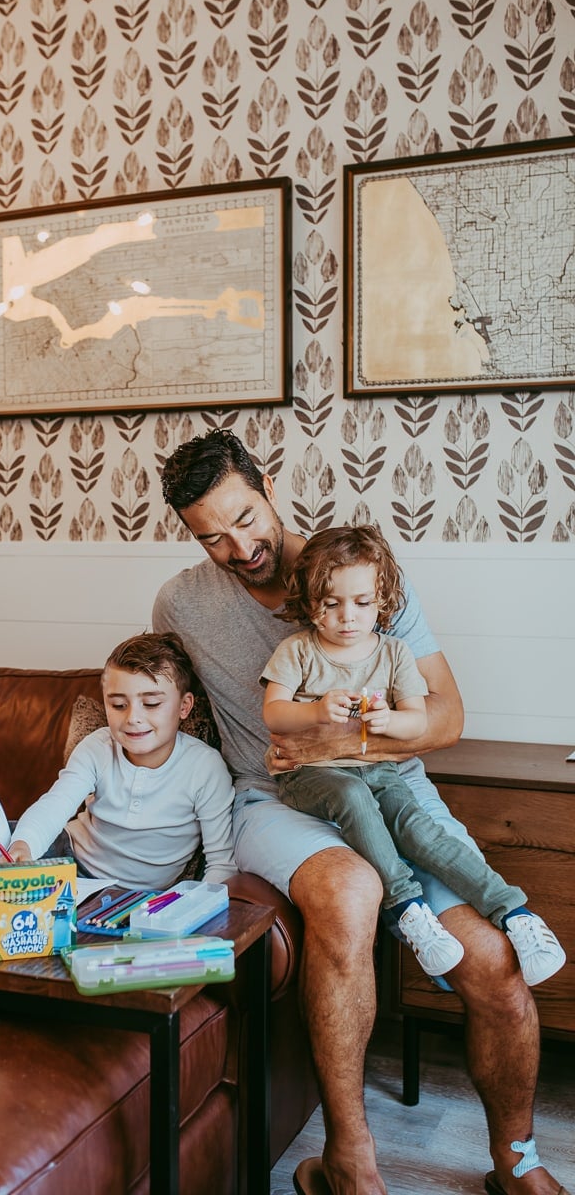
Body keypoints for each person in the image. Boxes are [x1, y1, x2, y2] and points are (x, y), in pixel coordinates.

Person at [152, 428, 567, 1195]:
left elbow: (445, 719)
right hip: (274, 801)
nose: (239, 546)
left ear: (268, 485)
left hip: (389, 788)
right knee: (350, 891)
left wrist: (345, 737)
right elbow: (164, 711)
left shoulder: (354, 576)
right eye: (212, 537)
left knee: (496, 966)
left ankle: (519, 1162)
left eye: (246, 519)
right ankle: (351, 1161)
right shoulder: (180, 603)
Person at [261, 524, 565, 985]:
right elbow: (275, 714)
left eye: (362, 603)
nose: (348, 616)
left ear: (381, 600)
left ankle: (515, 913)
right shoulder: (298, 651)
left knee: (419, 830)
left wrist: (390, 722)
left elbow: (418, 721)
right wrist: (316, 710)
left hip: (379, 768)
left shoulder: (396, 652)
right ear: (310, 604)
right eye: (332, 604)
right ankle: (407, 907)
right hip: (311, 774)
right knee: (352, 796)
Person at [8, 631, 236, 887]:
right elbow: (55, 806)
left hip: (139, 898)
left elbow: (221, 863)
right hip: (68, 856)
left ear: (184, 707)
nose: (132, 718)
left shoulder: (204, 767)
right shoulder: (98, 747)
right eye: (118, 705)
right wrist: (23, 844)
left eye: (150, 704)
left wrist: (197, 909)